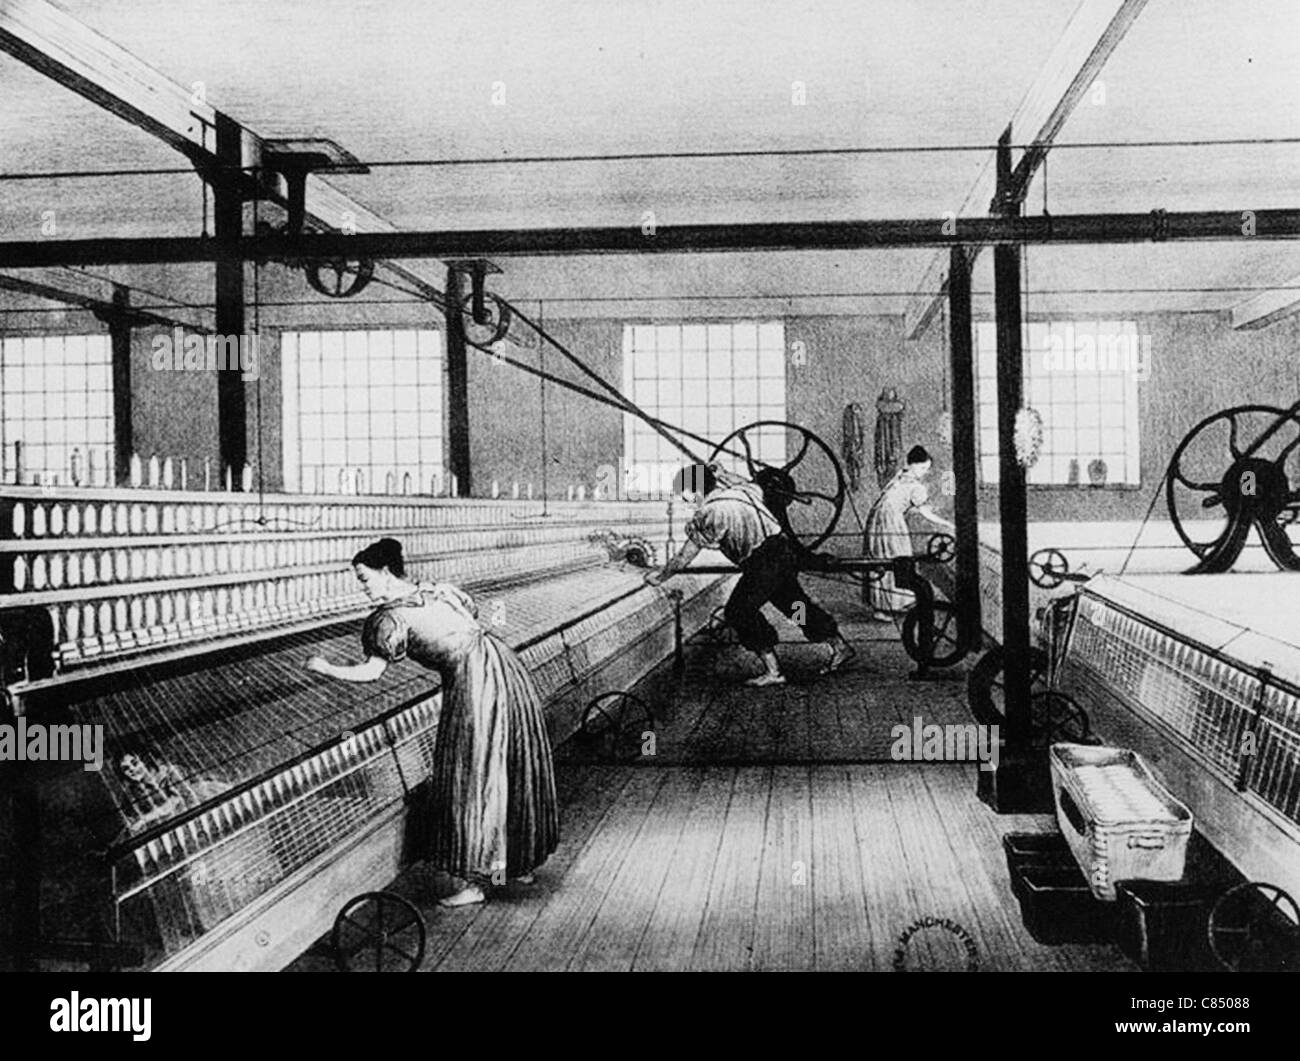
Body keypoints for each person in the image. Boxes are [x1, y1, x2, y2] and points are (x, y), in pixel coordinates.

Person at [306, 538, 558, 907]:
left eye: (364, 579)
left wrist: (327, 668)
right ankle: (515, 862)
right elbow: (469, 616)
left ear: (385, 572)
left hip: (474, 684)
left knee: (472, 773)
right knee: (509, 761)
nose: (363, 588)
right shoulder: (436, 591)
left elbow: (372, 672)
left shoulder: (388, 619)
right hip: (503, 666)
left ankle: (476, 881)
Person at [646, 463, 854, 686]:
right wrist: (724, 473)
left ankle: (773, 671)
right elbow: (754, 484)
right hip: (783, 553)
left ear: (694, 492)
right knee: (795, 606)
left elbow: (682, 559)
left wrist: (658, 577)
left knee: (738, 612)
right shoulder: (744, 491)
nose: (686, 501)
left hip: (763, 564)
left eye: (686, 495)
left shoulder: (710, 512)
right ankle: (838, 645)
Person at [862, 445, 955, 621]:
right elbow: (925, 513)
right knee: (896, 559)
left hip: (877, 519)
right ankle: (885, 607)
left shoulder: (899, 476)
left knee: (885, 557)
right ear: (912, 465)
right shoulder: (915, 486)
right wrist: (947, 524)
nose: (923, 472)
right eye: (922, 468)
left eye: (926, 469)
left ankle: (891, 604)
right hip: (889, 522)